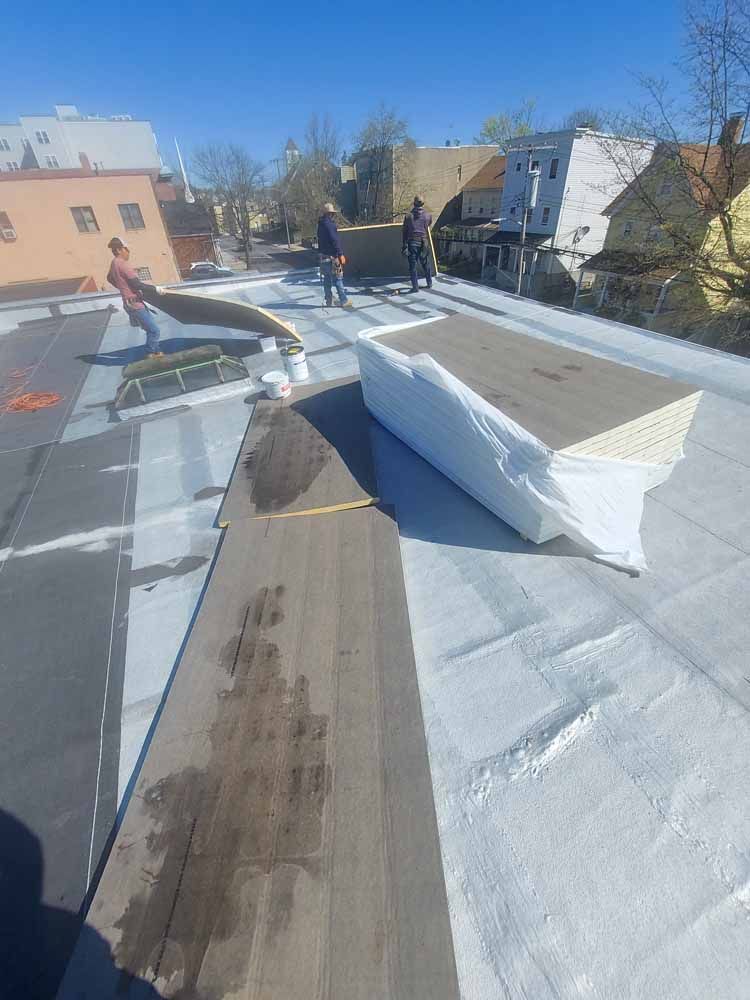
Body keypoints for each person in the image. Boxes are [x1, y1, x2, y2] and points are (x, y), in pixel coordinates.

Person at [106, 237, 165, 357]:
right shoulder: (123, 264)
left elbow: (109, 278)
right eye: (126, 249)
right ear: (118, 250)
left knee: (151, 329)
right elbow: (137, 284)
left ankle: (157, 351)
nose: (128, 251)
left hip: (130, 303)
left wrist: (123, 288)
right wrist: (156, 289)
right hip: (135, 305)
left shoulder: (114, 263)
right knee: (154, 330)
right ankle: (150, 353)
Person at [316, 204, 353, 309]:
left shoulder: (320, 225)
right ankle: (344, 300)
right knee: (338, 279)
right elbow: (335, 241)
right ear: (330, 214)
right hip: (332, 257)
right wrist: (340, 254)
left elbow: (320, 241)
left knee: (327, 279)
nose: (333, 216)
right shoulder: (330, 225)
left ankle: (329, 300)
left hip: (323, 257)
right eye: (332, 214)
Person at [402, 196, 433, 292]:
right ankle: (429, 283)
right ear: (423, 204)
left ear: (414, 203)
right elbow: (428, 224)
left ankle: (415, 287)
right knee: (425, 263)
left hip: (413, 243)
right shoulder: (428, 216)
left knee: (413, 266)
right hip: (424, 242)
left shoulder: (408, 216)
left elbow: (405, 232)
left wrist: (404, 245)